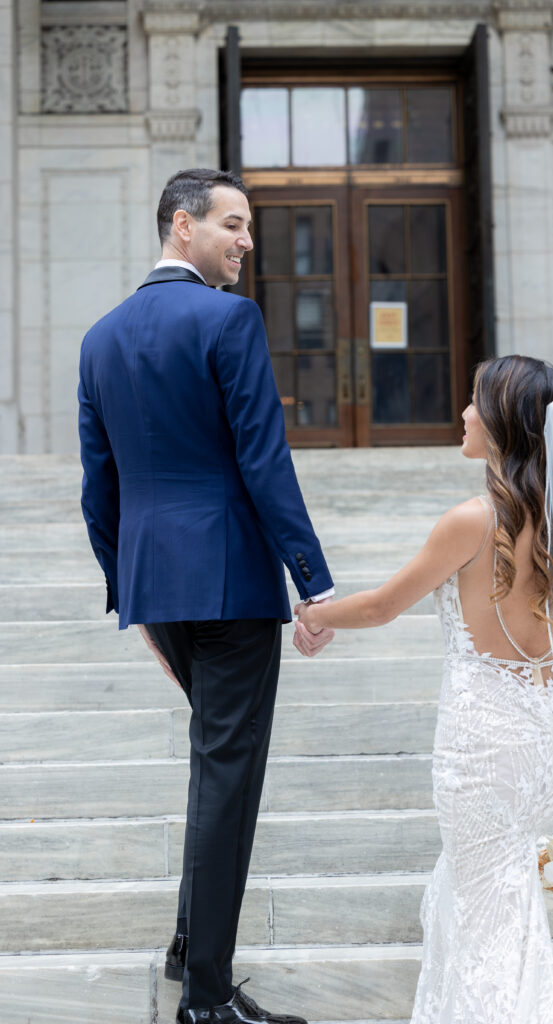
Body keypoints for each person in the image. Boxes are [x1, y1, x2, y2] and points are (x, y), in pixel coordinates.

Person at [296, 355, 553, 1023]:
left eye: (474, 402)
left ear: (503, 421)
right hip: (547, 744)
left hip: (482, 752)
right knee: (482, 904)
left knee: (488, 926)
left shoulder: (471, 522)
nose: (464, 413)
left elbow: (383, 606)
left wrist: (310, 615)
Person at [78, 168, 335, 1024]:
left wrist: (131, 593)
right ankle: (208, 999)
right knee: (231, 771)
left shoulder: (100, 337)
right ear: (181, 226)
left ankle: (193, 947)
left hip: (160, 582)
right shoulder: (229, 319)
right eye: (233, 223)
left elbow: (98, 485)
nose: (247, 241)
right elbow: (264, 458)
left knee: (213, 763)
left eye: (249, 227)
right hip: (227, 578)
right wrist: (314, 579)